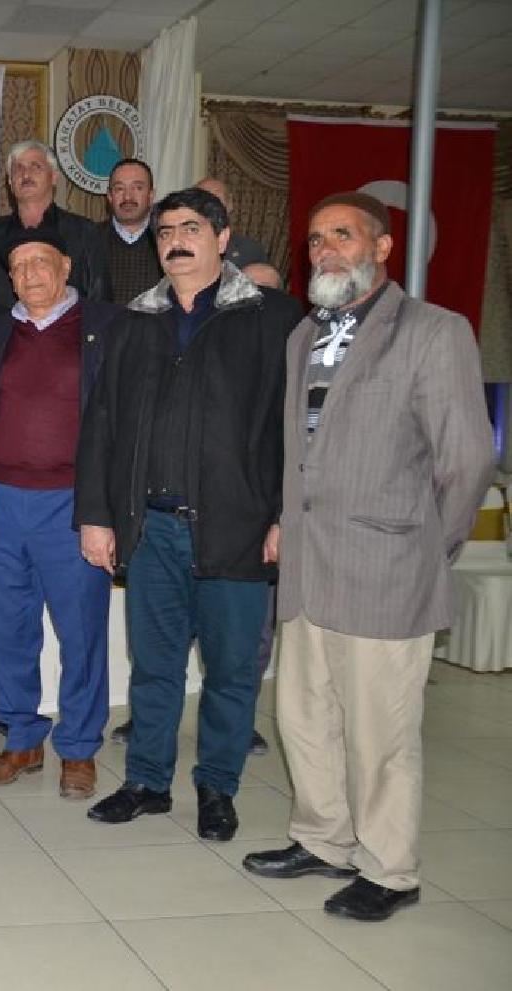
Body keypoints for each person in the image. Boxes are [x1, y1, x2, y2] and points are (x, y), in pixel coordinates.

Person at [242, 192, 494, 922]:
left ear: (382, 247)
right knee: (304, 717)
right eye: (316, 239)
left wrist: (425, 551)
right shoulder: (303, 336)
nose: (325, 250)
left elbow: (467, 460)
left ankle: (390, 869)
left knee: (380, 735)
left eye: (342, 236)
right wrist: (286, 520)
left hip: (388, 572)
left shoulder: (434, 332)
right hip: (310, 567)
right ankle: (323, 838)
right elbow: (301, 454)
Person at [76, 187, 301, 840]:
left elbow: (296, 430)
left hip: (238, 529)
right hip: (151, 530)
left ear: (223, 238)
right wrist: (96, 516)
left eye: (191, 228)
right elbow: (101, 424)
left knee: (231, 672)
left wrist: (285, 514)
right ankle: (147, 781)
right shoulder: (134, 323)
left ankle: (217, 788)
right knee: (154, 667)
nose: (176, 240)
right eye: (166, 231)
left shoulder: (273, 319)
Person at [0, 231, 121, 799]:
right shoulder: (0, 330)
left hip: (72, 505)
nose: (30, 274)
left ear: (65, 265)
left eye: (40, 262)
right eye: (18, 267)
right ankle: (22, 738)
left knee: (80, 632)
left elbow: (118, 422)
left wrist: (104, 510)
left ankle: (79, 747)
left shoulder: (103, 326)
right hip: (4, 503)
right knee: (7, 630)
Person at [0, 141, 107, 312]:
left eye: (36, 166)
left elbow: (101, 302)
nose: (26, 174)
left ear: (54, 177)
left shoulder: (84, 232)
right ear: (10, 182)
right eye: (18, 168)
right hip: (6, 328)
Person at [102, 157, 162, 306]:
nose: (128, 197)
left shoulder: (167, 241)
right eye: (119, 189)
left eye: (137, 188)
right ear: (109, 196)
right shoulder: (89, 240)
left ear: (151, 195)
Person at [197, 177, 269, 270]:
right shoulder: (180, 245)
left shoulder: (251, 251)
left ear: (230, 204)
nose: (211, 205)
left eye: (217, 198)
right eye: (203, 199)